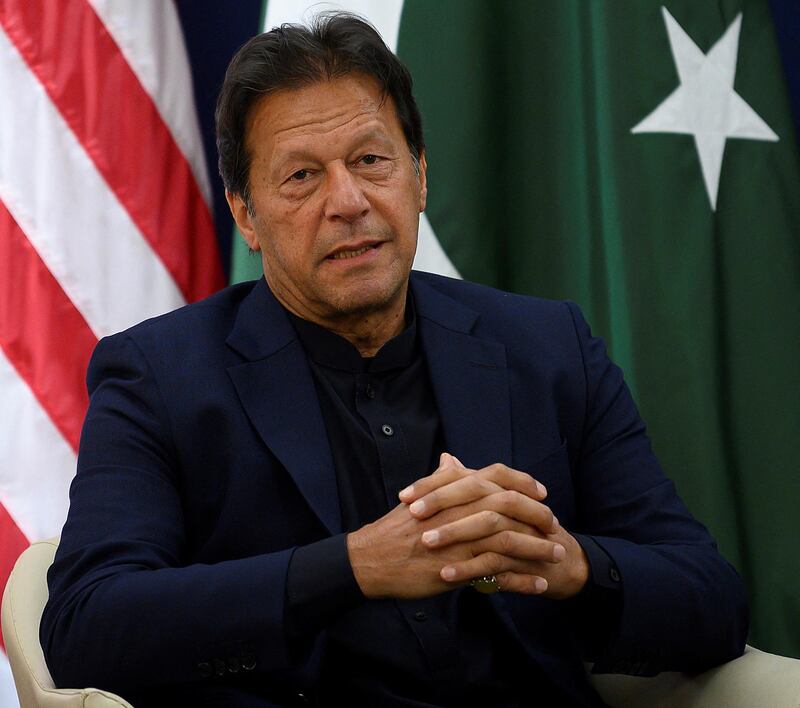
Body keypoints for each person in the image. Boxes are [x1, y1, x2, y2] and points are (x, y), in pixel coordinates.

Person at [41, 13, 748, 708]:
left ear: (420, 177)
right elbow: (86, 625)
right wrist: (350, 568)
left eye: (371, 161)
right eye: (302, 177)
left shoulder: (546, 346)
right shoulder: (158, 376)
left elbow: (711, 599)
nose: (348, 201)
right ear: (246, 215)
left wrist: (572, 565)